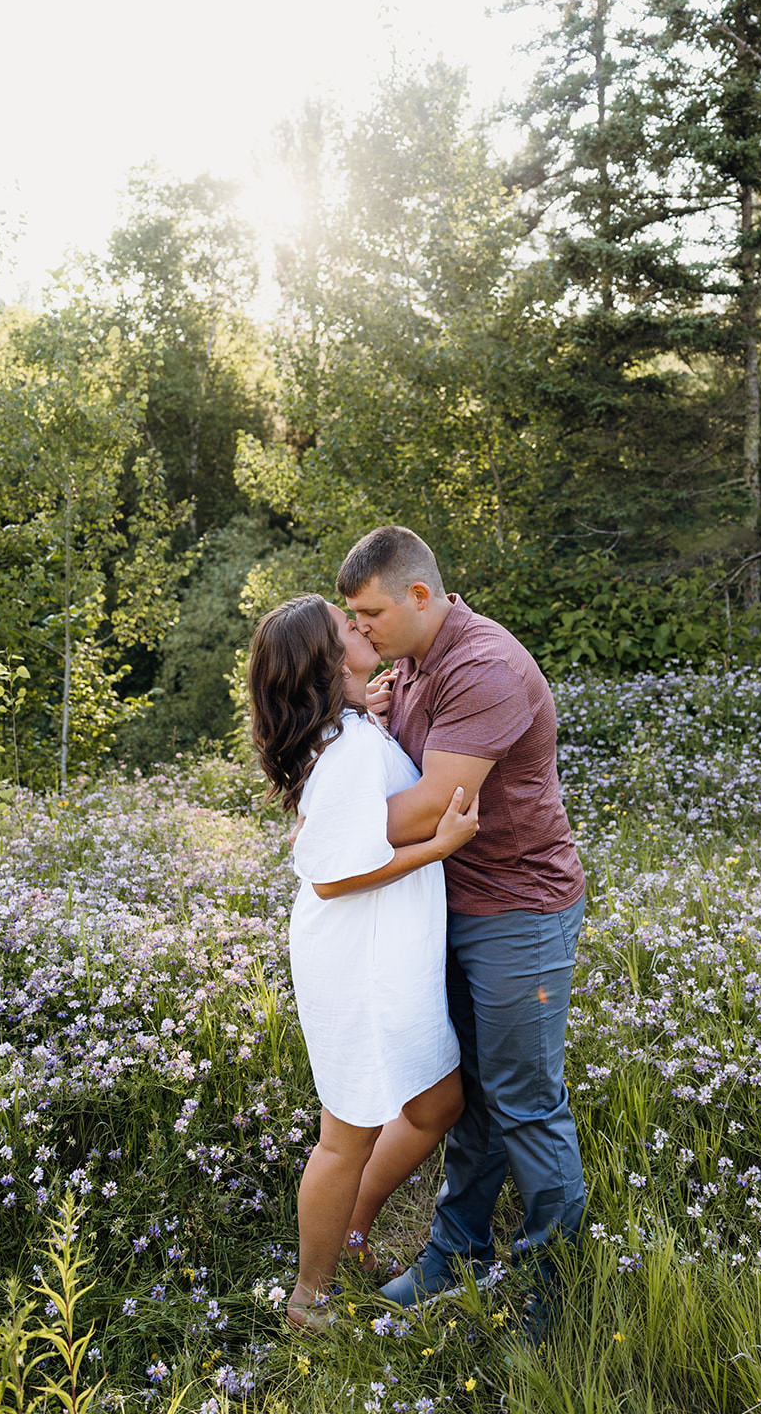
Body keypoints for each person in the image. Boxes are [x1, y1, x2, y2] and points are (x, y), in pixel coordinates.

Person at [335, 527, 586, 1324]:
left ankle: (552, 1291)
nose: (359, 628)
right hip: (447, 904)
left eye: (368, 611)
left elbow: (425, 808)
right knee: (469, 1094)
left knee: (523, 1101)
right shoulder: (409, 664)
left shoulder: (484, 666)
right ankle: (457, 1254)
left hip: (519, 910)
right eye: (351, 614)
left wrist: (322, 832)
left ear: (418, 596)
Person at [247, 592, 479, 1330]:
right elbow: (329, 873)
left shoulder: (351, 730)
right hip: (356, 957)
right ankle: (309, 1301)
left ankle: (351, 1233)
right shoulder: (344, 748)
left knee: (437, 1104)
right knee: (345, 1132)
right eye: (348, 626)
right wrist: (438, 847)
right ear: (328, 658)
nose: (362, 627)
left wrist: (371, 712)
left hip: (387, 951)